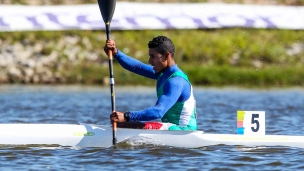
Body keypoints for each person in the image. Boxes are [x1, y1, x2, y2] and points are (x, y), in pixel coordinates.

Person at [104, 36, 197, 130]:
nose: (150, 61)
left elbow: (158, 112)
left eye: (153, 57)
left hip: (183, 130)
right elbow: (137, 67)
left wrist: (127, 116)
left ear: (166, 55)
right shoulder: (163, 73)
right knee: (123, 125)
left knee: (125, 125)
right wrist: (115, 53)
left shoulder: (176, 81)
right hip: (171, 128)